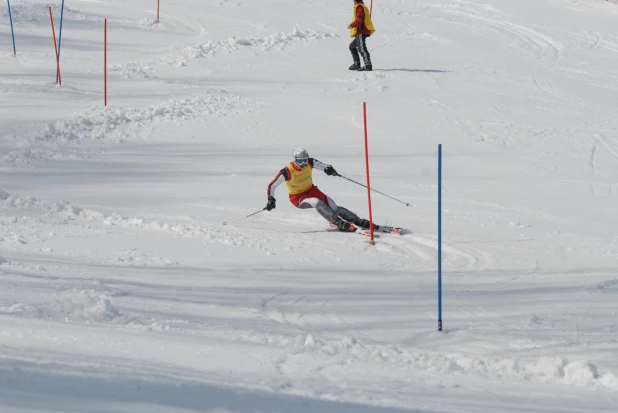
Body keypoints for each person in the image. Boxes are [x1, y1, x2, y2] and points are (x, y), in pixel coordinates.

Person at [265, 148, 377, 232]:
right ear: (295, 160)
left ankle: (356, 220)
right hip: (298, 198)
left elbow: (324, 166)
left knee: (333, 207)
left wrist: (329, 169)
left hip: (312, 190)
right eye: (300, 161)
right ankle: (338, 222)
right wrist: (271, 199)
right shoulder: (287, 171)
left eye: (305, 160)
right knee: (316, 202)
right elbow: (272, 185)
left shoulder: (310, 162)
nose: (303, 164)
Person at [348, 0, 375, 71]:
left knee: (362, 48)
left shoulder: (359, 7)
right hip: (361, 31)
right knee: (352, 47)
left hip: (361, 31)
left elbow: (360, 20)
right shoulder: (362, 6)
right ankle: (357, 64)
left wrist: (352, 25)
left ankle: (368, 65)